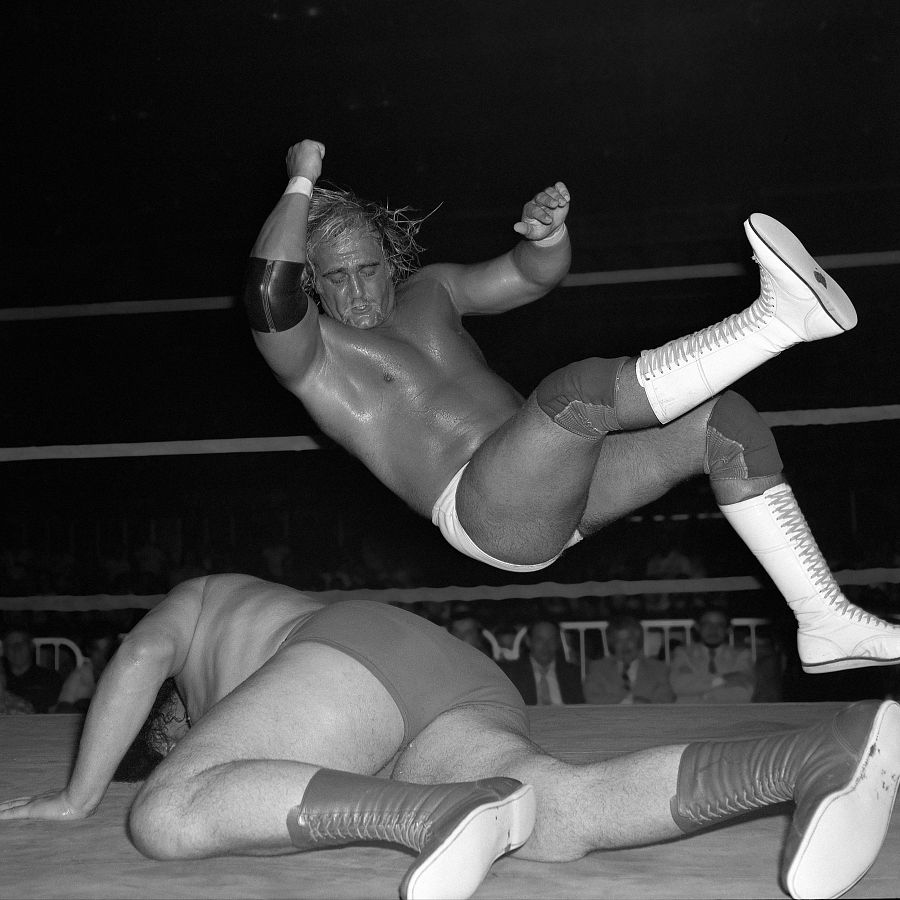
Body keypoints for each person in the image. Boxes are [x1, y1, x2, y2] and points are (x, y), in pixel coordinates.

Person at [243, 140, 899, 677]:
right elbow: (268, 294)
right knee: (574, 395)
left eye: (366, 268)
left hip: (558, 484)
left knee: (724, 424)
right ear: (311, 283)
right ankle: (776, 322)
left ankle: (824, 620)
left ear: (390, 258)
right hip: (483, 509)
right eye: (334, 277)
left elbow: (530, 276)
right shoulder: (316, 355)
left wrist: (546, 237)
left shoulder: (432, 290)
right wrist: (301, 182)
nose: (356, 290)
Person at [0, 575, 897, 900]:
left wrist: (79, 796)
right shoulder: (293, 702)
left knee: (166, 811)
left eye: (176, 726)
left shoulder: (201, 606)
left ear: (178, 714)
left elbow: (136, 655)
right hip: (446, 675)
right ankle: (816, 752)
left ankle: (434, 814)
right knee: (549, 813)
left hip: (355, 651)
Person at [670, 607, 756, 704]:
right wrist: (723, 679)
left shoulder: (742, 656)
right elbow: (679, 686)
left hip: (728, 714)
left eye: (720, 625)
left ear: (728, 629)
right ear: (698, 627)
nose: (713, 629)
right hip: (690, 715)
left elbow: (743, 694)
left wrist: (695, 687)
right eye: (707, 624)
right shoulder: (683, 653)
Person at [583, 615, 675, 705]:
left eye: (629, 639)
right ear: (612, 644)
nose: (625, 645)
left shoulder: (658, 668)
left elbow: (666, 698)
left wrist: (646, 705)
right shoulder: (598, 668)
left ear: (638, 641)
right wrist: (630, 702)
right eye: (618, 641)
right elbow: (592, 698)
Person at [501, 621, 585, 706]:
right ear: (529, 641)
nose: (546, 646)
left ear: (558, 642)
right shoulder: (512, 674)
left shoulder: (572, 674)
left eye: (551, 640)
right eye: (539, 640)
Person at [1, 626, 62, 713]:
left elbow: (56, 712)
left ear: (31, 646)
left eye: (22, 643)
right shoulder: (1, 680)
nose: (17, 648)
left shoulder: (50, 677)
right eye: (11, 644)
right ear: (4, 650)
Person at [53, 632, 119, 714]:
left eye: (107, 650)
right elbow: (63, 706)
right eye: (97, 650)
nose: (102, 655)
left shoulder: (123, 675)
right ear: (88, 651)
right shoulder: (79, 675)